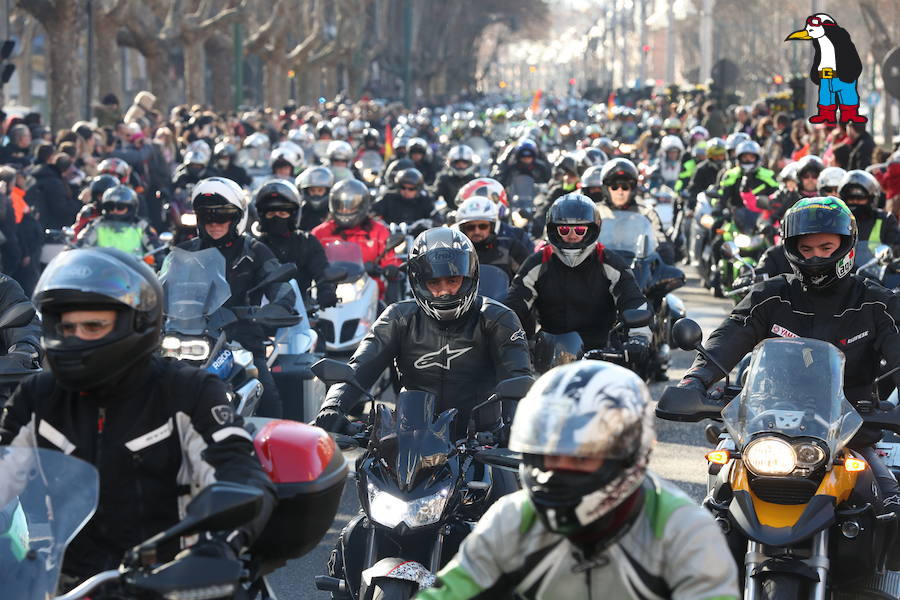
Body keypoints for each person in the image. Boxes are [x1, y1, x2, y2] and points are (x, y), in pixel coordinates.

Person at [0, 247, 275, 585]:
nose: (76, 338)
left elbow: (239, 473)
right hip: (66, 584)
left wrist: (219, 547)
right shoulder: (38, 397)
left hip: (171, 579)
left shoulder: (190, 392)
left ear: (138, 322)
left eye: (92, 326)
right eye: (66, 327)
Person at [679, 197, 900, 562]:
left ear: (846, 246)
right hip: (767, 427)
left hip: (850, 428)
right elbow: (729, 337)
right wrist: (695, 381)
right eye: (806, 248)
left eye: (826, 247)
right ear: (791, 249)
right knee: (718, 497)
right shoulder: (770, 295)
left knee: (889, 500)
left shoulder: (876, 302)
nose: (815, 257)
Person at [416, 360, 739, 600]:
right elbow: (449, 593)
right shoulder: (512, 518)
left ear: (628, 455)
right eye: (549, 454)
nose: (559, 469)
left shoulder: (683, 529)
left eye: (580, 457)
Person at [313, 227, 532, 437]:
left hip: (482, 440)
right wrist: (332, 407)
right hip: (412, 440)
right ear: (418, 282)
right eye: (433, 282)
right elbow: (359, 368)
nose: (444, 291)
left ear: (469, 276)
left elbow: (518, 377)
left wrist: (514, 426)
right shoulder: (398, 318)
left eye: (453, 280)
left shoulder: (498, 318)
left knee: (514, 474)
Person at [178, 177, 296, 418]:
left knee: (267, 396)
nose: (214, 223)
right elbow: (160, 286)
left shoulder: (253, 251)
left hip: (240, 340)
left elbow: (282, 287)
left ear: (237, 218)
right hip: (189, 339)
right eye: (207, 216)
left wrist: (272, 309)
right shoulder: (186, 252)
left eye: (222, 216)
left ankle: (272, 452)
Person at [506, 193, 651, 354]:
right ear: (553, 229)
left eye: (580, 229)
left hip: (602, 354)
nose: (572, 235)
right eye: (564, 229)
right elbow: (515, 302)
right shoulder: (538, 262)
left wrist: (638, 337)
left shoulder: (610, 262)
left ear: (592, 229)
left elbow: (632, 299)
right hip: (549, 353)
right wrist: (502, 333)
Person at [253, 179, 337, 309]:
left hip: (302, 314)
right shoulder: (254, 247)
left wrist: (326, 290)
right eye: (271, 214)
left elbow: (322, 270)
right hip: (258, 316)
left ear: (293, 215)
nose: (277, 218)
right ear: (262, 216)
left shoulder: (307, 242)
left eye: (282, 213)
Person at [311, 178, 403, 297]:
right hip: (327, 292)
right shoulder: (320, 233)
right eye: (341, 207)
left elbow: (390, 259)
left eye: (351, 207)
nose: (345, 211)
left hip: (369, 294)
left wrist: (391, 268)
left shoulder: (378, 230)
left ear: (363, 206)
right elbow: (310, 262)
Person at [594, 159, 676, 264]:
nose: (620, 192)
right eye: (614, 187)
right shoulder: (595, 212)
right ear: (606, 189)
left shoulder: (647, 213)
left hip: (637, 270)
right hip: (600, 269)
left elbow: (661, 242)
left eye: (625, 187)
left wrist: (667, 266)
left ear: (632, 189)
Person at [77, 185, 161, 265]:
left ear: (131, 208)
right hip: (101, 274)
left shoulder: (141, 226)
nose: (115, 210)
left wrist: (160, 260)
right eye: (110, 207)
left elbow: (156, 250)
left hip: (134, 275)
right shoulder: (96, 225)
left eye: (120, 207)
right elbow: (80, 248)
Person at [456, 196, 530, 279]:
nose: (477, 231)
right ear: (463, 229)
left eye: (482, 226)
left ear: (492, 227)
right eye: (470, 227)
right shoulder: (456, 254)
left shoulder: (511, 248)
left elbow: (527, 279)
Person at [296, 166, 335, 231]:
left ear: (327, 191)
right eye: (312, 190)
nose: (316, 193)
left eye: (320, 190)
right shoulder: (301, 211)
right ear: (306, 191)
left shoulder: (332, 211)